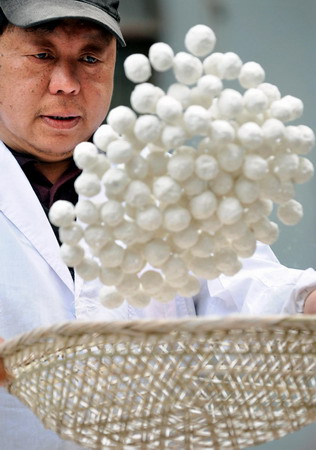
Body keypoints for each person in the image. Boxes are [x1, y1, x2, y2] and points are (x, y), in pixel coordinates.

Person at [0, 0, 315, 448]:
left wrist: (306, 301)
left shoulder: (171, 182)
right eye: (42, 55)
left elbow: (247, 286)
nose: (66, 84)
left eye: (90, 58)